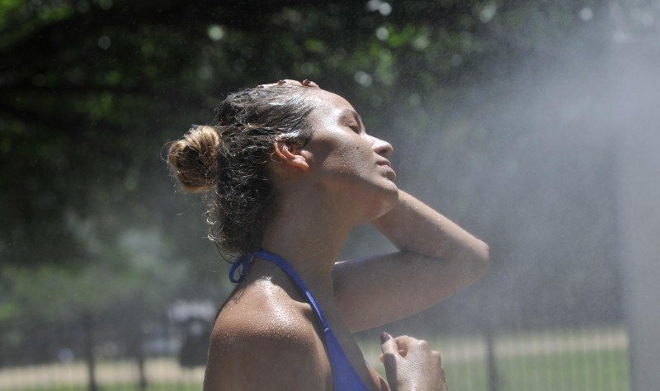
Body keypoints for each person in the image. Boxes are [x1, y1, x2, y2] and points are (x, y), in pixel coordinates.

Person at [167, 79, 489, 390]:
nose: (383, 144)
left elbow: (463, 260)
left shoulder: (318, 293)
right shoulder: (268, 325)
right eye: (353, 128)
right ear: (291, 151)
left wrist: (372, 188)